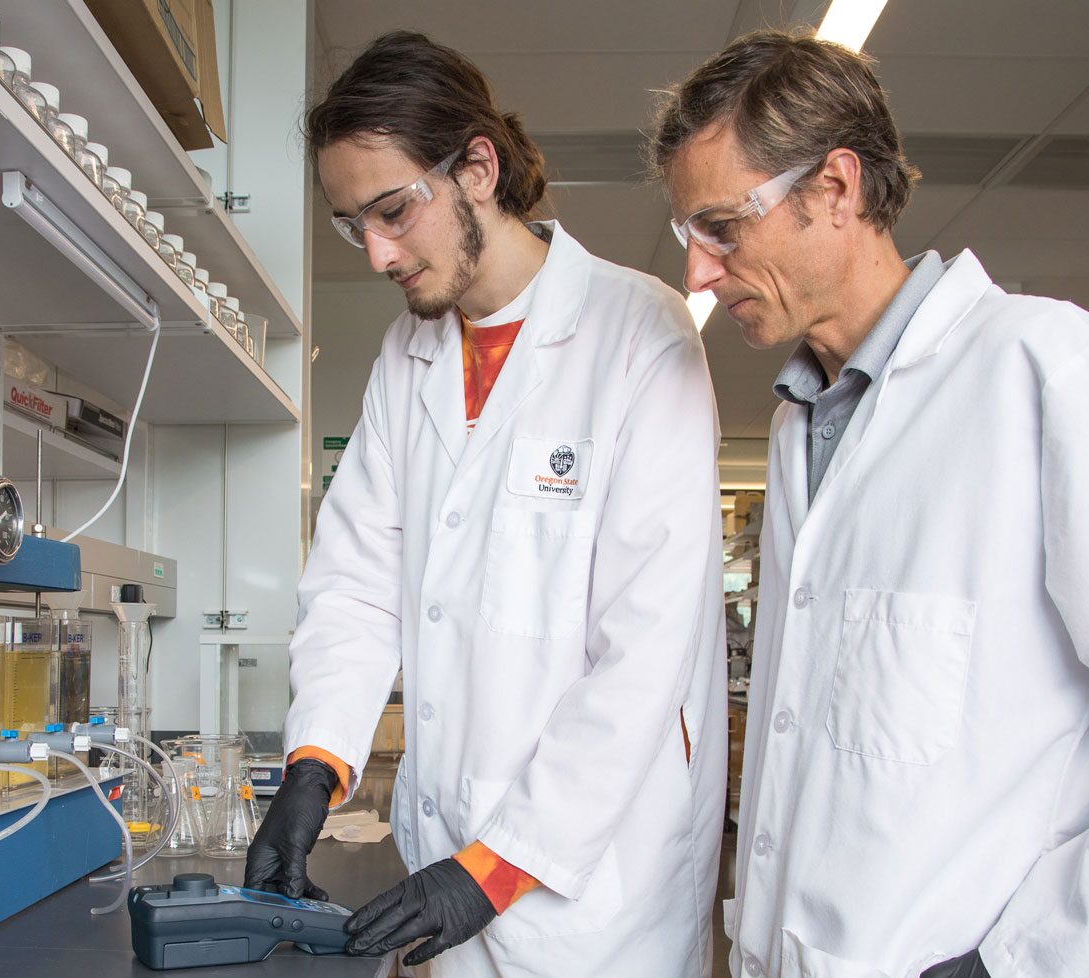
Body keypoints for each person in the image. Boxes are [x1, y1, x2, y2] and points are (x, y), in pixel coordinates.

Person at [649, 29, 1089, 978]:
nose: (697, 270)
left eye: (722, 226)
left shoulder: (1039, 367)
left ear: (836, 188)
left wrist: (1025, 960)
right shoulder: (798, 422)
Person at [243, 30, 728, 976]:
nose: (378, 253)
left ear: (477, 167)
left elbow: (647, 651)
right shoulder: (407, 353)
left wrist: (496, 868)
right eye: (354, 224)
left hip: (596, 893)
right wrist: (316, 760)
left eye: (392, 210)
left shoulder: (642, 335)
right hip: (448, 857)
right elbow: (356, 581)